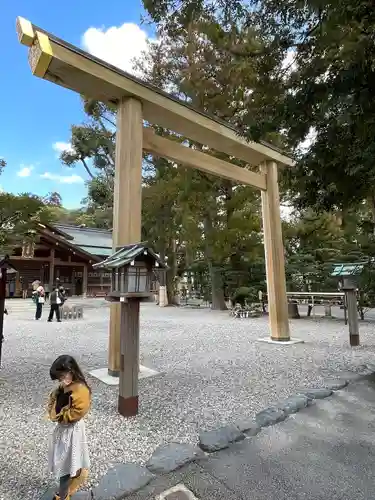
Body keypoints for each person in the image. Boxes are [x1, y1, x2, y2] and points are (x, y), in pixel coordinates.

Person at [47, 355, 91, 499]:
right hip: (64, 430)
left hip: (72, 430)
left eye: (62, 376)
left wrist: (59, 415)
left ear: (71, 370)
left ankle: (62, 495)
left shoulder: (81, 390)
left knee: (64, 465)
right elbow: (53, 402)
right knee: (69, 458)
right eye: (59, 378)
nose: (61, 381)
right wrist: (55, 412)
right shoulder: (63, 386)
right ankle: (77, 474)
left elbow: (77, 413)